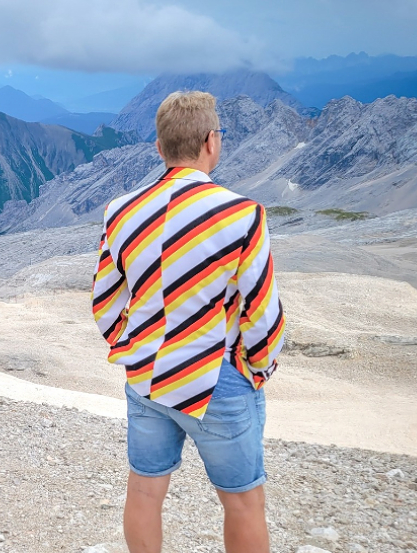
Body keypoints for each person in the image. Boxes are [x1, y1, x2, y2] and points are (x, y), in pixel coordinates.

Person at [91, 91, 286, 553]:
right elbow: (262, 310)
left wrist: (134, 348)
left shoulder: (119, 211)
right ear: (211, 142)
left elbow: (104, 301)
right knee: (242, 503)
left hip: (147, 375)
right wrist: (255, 370)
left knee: (143, 489)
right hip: (217, 376)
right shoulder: (242, 214)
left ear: (159, 148)